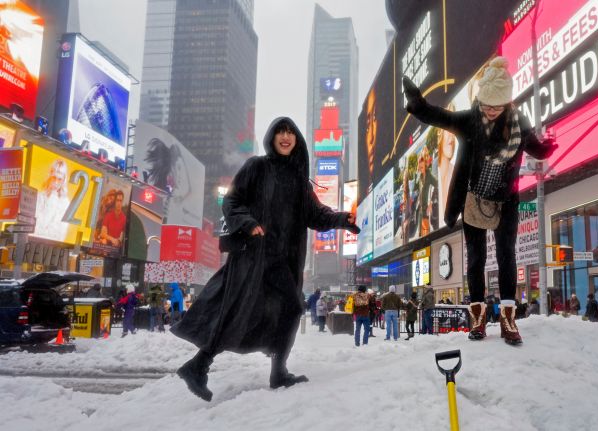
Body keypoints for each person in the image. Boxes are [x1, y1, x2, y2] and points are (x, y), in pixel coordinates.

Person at [171, 117, 360, 402]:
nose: (285, 136)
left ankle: (219, 367)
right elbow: (231, 201)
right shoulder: (257, 167)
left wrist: (343, 219)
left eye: (290, 132)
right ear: (272, 137)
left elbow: (316, 216)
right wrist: (247, 222)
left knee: (285, 310)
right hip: (254, 257)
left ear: (297, 139)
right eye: (280, 131)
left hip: (282, 261)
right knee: (241, 311)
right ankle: (208, 366)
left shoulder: (298, 180)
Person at [403, 56, 556, 346]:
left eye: (496, 106)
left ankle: (509, 320)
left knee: (506, 254)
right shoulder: (470, 120)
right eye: (486, 105)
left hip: (505, 199)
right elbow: (440, 116)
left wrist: (545, 148)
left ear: (507, 103)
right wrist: (418, 104)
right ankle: (478, 318)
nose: (490, 110)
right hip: (472, 197)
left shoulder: (518, 123)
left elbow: (535, 147)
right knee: (476, 260)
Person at [34, 159, 70, 241]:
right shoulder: (39, 196)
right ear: (50, 176)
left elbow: (59, 234)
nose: (56, 182)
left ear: (64, 180)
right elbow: (33, 228)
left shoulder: (66, 204)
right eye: (54, 177)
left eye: (59, 179)